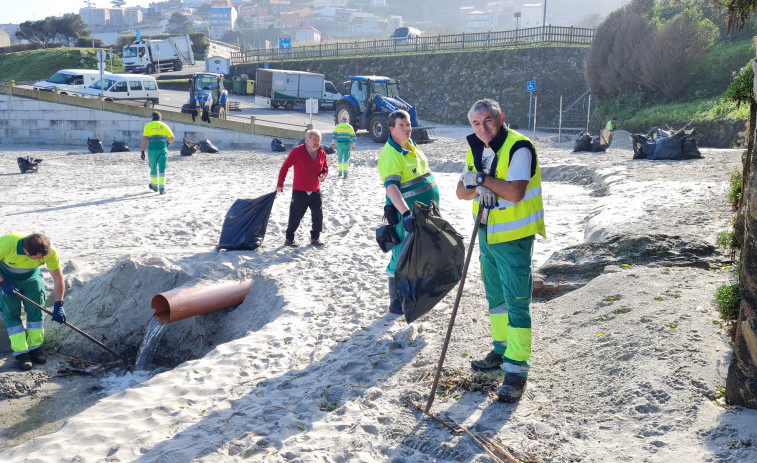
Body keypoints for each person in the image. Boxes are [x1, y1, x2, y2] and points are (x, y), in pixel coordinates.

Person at [456, 99, 546, 403]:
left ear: (501, 118)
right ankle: (501, 349)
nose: (483, 129)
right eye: (476, 124)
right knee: (495, 298)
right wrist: (475, 186)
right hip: (485, 234)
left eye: (488, 121)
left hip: (514, 237)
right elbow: (460, 191)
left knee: (517, 301)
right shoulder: (475, 148)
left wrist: (481, 180)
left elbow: (515, 191)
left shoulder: (520, 147)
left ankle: (517, 370)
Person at [378, 110, 439, 315]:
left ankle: (413, 295)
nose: (407, 128)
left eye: (409, 124)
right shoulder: (391, 153)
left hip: (423, 213)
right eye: (402, 125)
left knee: (417, 253)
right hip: (407, 216)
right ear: (391, 128)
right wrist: (405, 214)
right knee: (401, 255)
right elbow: (392, 188)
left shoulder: (410, 146)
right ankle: (397, 303)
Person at [0, 233, 66, 371]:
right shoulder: (6, 245)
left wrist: (59, 304)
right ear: (26, 251)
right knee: (11, 313)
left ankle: (35, 347)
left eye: (44, 255)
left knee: (36, 311)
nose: (43, 259)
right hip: (6, 278)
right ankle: (21, 353)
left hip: (31, 278)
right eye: (39, 257)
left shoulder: (49, 251)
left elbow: (58, 278)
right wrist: (3, 282)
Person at [277, 129, 329, 247]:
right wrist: (280, 184)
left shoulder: (322, 153)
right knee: (295, 215)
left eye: (319, 140)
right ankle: (289, 239)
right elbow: (285, 167)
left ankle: (315, 238)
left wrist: (323, 176)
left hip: (315, 190)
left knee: (318, 215)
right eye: (314, 140)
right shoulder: (297, 151)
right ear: (307, 140)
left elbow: (325, 168)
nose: (317, 142)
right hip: (299, 191)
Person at [141, 111, 175, 195]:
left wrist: (142, 151)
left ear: (152, 117)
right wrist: (167, 143)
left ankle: (154, 186)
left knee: (153, 168)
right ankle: (162, 189)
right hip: (163, 150)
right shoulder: (164, 125)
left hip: (152, 151)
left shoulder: (148, 126)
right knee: (162, 169)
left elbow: (145, 139)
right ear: (160, 118)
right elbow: (172, 138)